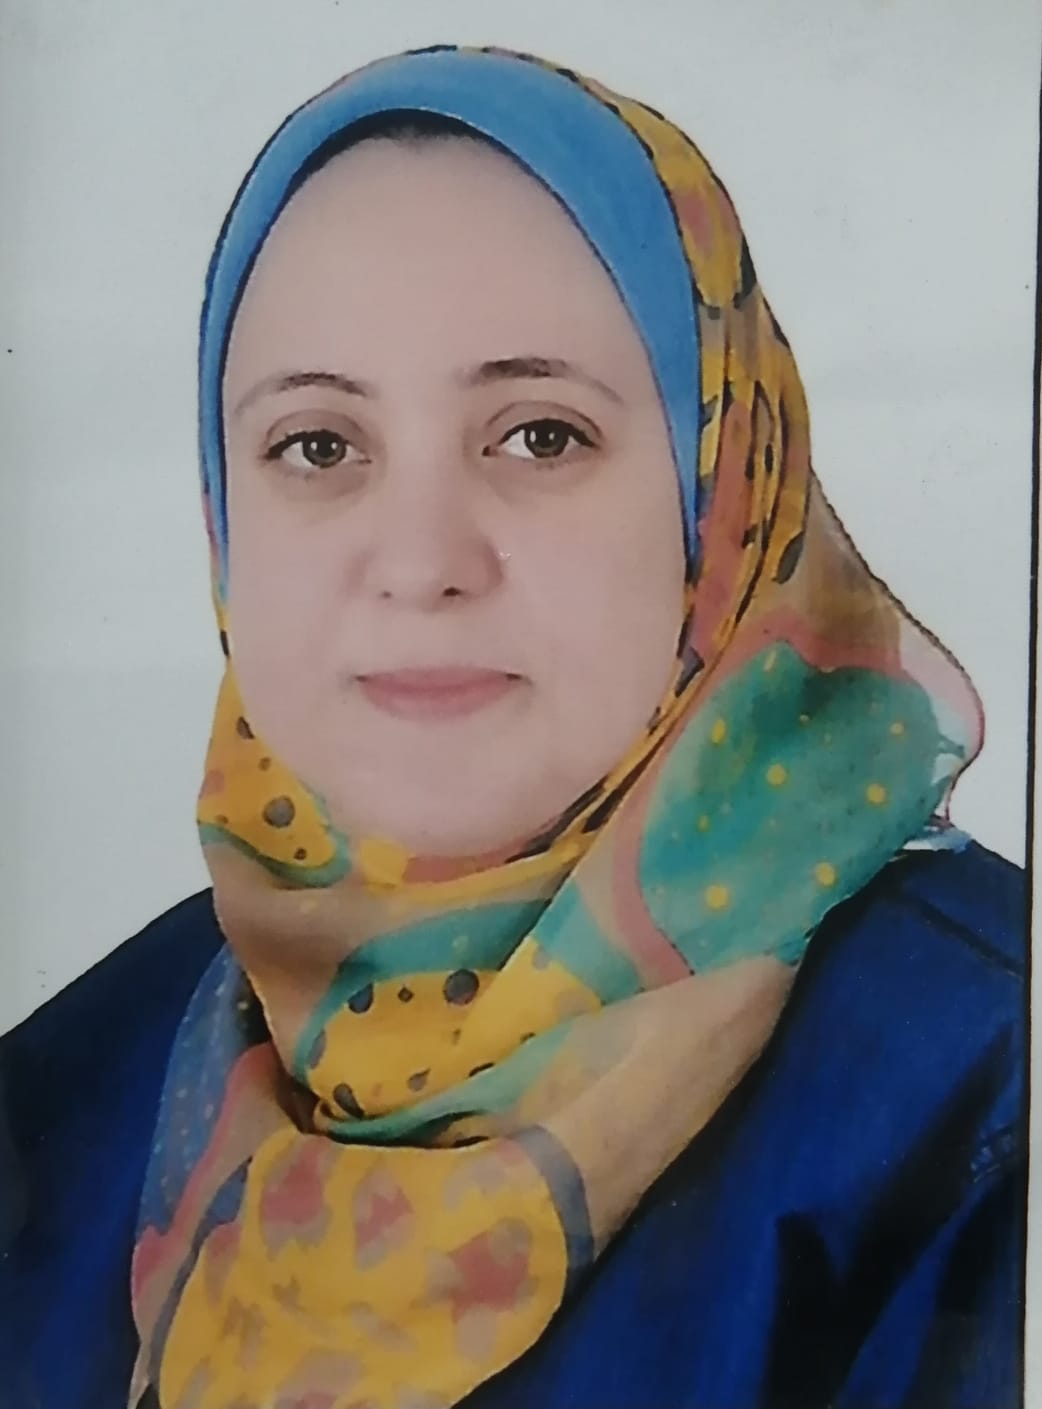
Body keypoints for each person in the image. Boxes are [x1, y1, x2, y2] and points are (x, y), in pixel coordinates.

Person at [0, 44, 1026, 1409]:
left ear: (723, 495)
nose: (421, 561)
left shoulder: (982, 1088)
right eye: (319, 446)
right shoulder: (67, 1088)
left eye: (539, 435)